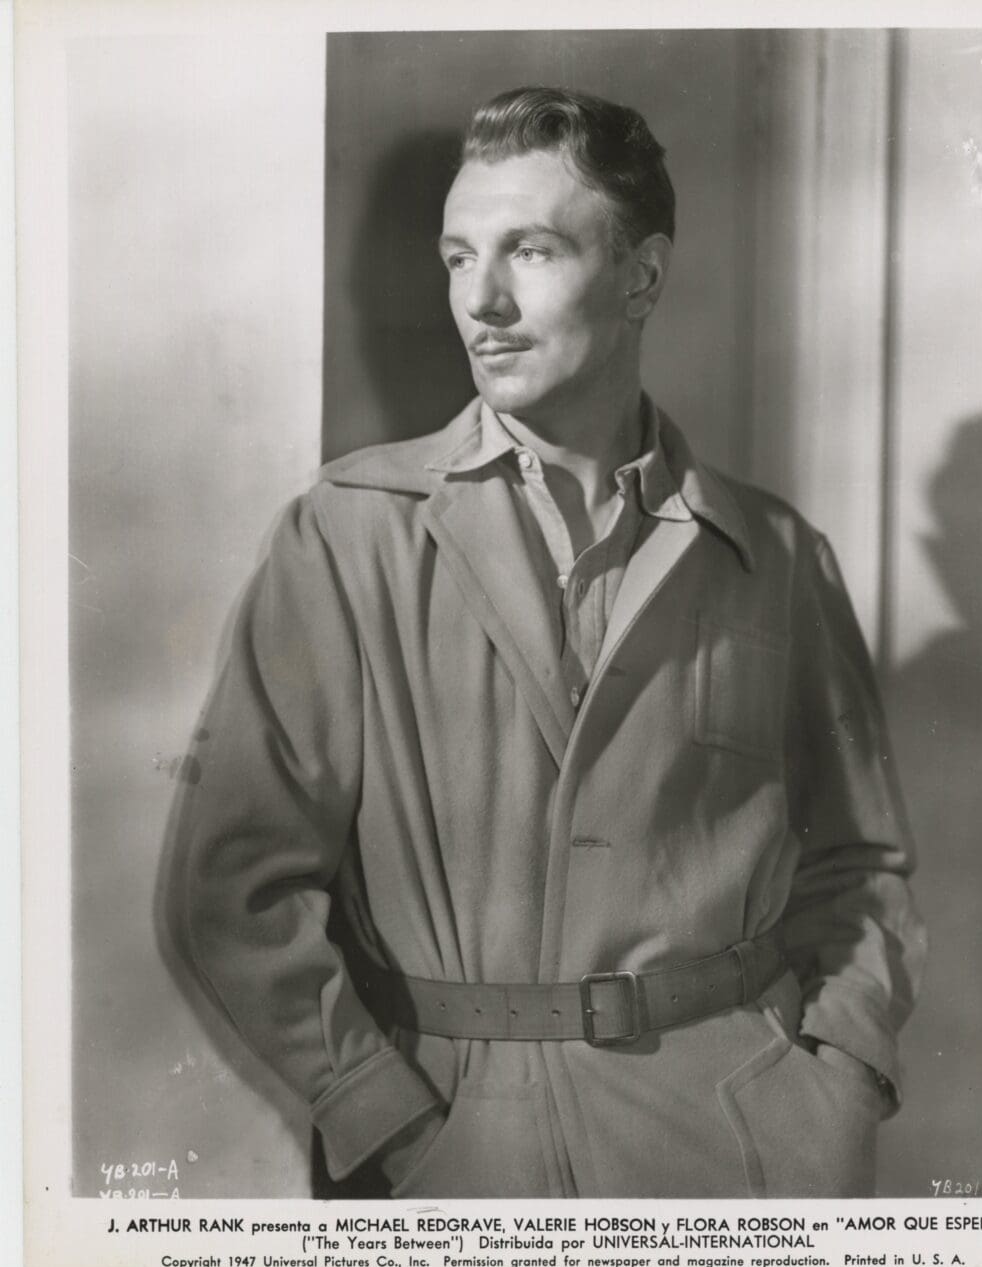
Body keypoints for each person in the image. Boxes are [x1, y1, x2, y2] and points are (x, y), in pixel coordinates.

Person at [169, 86, 926, 1199]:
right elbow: (233, 884)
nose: (481, 300)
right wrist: (380, 1117)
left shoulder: (778, 555)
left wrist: (833, 1093)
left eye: (529, 250)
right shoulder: (348, 533)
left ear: (642, 277)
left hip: (740, 1156)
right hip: (455, 1155)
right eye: (457, 255)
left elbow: (864, 866)